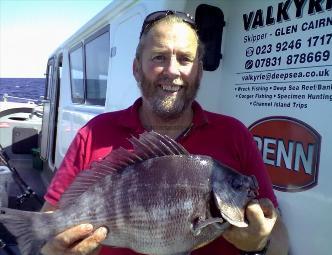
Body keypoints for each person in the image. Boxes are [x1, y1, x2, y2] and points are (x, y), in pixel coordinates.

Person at [40, 10, 289, 255]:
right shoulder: (94, 133)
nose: (172, 71)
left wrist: (259, 245)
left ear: (199, 72)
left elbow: (280, 239)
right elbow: (48, 223)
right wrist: (53, 250)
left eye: (184, 59)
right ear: (137, 68)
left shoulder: (234, 134)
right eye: (159, 57)